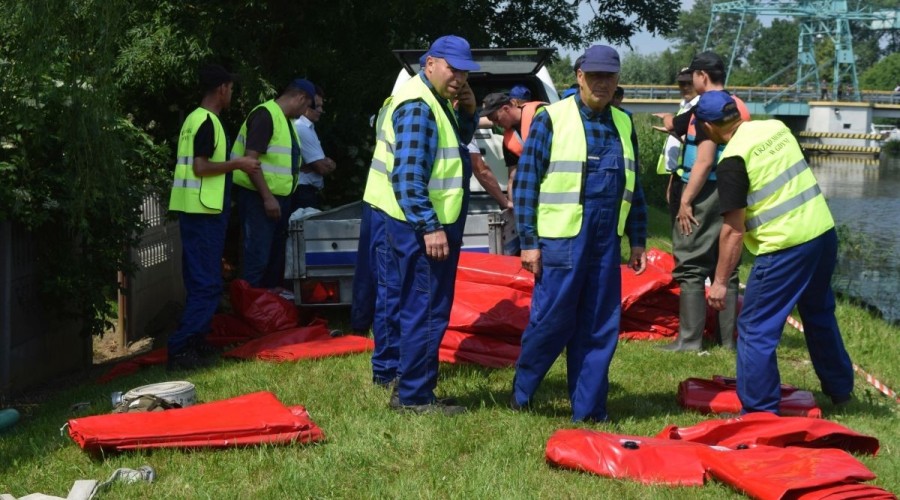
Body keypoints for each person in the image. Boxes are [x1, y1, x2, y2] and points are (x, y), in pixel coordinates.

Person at [510, 45, 648, 422]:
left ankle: (588, 412)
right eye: (596, 76)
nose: (603, 83)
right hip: (561, 242)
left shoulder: (623, 123)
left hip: (606, 244)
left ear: (618, 80)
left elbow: (634, 188)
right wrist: (529, 243)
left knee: (599, 326)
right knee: (551, 322)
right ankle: (522, 395)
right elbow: (526, 186)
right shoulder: (551, 119)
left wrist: (637, 240)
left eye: (610, 77)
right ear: (580, 76)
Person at [698, 90, 854, 413]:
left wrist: (721, 281)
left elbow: (733, 230)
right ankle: (841, 390)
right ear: (737, 113)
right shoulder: (777, 129)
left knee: (755, 327)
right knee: (819, 313)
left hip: (785, 247)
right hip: (822, 234)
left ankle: (759, 412)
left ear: (708, 126)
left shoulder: (732, 160)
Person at [361, 35, 480, 415]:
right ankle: (414, 396)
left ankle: (409, 386)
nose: (459, 77)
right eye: (452, 68)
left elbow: (456, 143)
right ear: (430, 63)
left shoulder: (433, 99)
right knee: (426, 310)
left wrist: (469, 111)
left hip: (415, 224)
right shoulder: (419, 106)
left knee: (416, 306)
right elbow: (408, 177)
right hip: (424, 228)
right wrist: (430, 226)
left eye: (464, 71)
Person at [167, 64, 261, 370]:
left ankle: (195, 342)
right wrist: (239, 165)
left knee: (203, 281)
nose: (232, 92)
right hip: (203, 211)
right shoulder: (207, 121)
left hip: (198, 210)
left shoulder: (198, 120)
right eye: (231, 88)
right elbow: (201, 168)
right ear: (222, 88)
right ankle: (183, 347)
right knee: (206, 283)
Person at [656, 51, 750, 352]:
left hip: (706, 191)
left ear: (702, 76)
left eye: (692, 75)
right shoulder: (739, 105)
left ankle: (689, 340)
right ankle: (726, 343)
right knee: (726, 265)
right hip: (733, 190)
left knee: (691, 262)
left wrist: (686, 200)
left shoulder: (707, 108)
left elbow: (704, 161)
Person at [231, 78, 316, 288]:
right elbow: (251, 160)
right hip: (259, 199)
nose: (306, 110)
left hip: (275, 200)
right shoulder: (266, 115)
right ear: (300, 98)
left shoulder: (285, 121)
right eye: (307, 105)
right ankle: (250, 309)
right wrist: (268, 198)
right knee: (257, 258)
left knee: (271, 258)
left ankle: (265, 308)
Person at [480, 92, 546, 206]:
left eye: (496, 119)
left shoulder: (542, 115)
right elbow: (512, 177)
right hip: (536, 190)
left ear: (506, 109)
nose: (495, 124)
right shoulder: (509, 141)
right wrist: (511, 204)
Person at [293, 85, 336, 210]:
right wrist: (323, 164)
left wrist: (314, 165)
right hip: (303, 191)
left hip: (306, 190)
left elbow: (320, 165)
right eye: (317, 106)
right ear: (305, 105)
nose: (321, 110)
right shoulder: (302, 128)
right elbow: (322, 168)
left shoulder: (308, 127)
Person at [655, 67, 698, 178]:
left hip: (686, 171)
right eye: (682, 84)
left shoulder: (698, 108)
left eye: (690, 83)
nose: (685, 87)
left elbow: (694, 140)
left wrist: (671, 130)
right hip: (676, 171)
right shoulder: (685, 106)